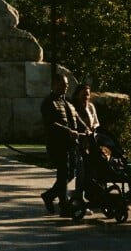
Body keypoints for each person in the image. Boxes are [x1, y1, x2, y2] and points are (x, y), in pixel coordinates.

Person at [40, 73, 85, 217]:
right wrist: (68, 131)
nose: (65, 88)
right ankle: (63, 204)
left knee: (71, 173)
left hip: (71, 144)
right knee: (64, 173)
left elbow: (78, 119)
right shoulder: (49, 103)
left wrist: (87, 130)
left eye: (66, 86)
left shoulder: (68, 103)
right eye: (62, 85)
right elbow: (51, 123)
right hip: (57, 144)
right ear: (54, 85)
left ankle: (49, 195)